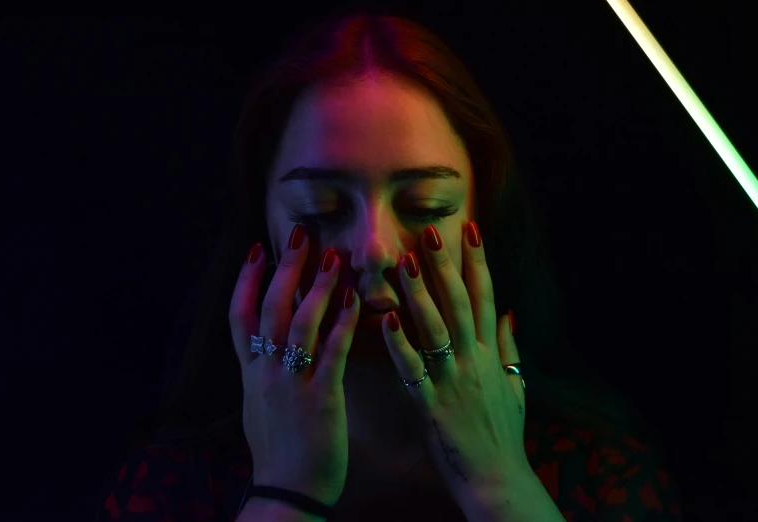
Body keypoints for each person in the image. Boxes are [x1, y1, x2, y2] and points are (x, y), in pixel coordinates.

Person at [93, 9, 681, 522]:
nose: (373, 249)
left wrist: (502, 490)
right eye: (320, 211)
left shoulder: (598, 474)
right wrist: (282, 498)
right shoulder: (176, 488)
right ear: (264, 227)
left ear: (482, 215)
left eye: (424, 208)